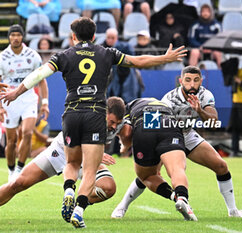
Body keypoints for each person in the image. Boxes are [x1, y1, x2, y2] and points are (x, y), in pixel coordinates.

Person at [0, 17, 187, 229]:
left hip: (72, 115)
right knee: (88, 172)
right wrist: (165, 58)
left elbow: (40, 73)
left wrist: (16, 92)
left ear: (73, 36)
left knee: (19, 184)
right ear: (94, 35)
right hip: (95, 116)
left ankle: (70, 189)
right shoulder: (107, 53)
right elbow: (137, 61)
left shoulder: (64, 55)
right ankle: (78, 208)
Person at [111, 66, 242, 219]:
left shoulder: (205, 95)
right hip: (168, 136)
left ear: (201, 81)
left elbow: (213, 122)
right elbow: (156, 126)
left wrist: (200, 111)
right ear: (181, 81)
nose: (192, 84)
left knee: (221, 166)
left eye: (196, 80)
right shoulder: (169, 99)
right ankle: (122, 207)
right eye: (188, 80)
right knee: (150, 173)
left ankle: (233, 211)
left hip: (188, 135)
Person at [111, 97, 198, 221]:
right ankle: (182, 197)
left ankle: (173, 196)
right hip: (169, 124)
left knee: (146, 176)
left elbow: (126, 133)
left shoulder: (126, 110)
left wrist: (124, 146)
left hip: (145, 126)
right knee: (176, 169)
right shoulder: (161, 104)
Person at [0, 24, 49, 182]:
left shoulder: (32, 55)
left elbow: (41, 80)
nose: (15, 38)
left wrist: (45, 103)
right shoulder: (3, 57)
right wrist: (0, 107)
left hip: (28, 98)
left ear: (22, 37)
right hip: (9, 100)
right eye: (12, 35)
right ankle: (11, 170)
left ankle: (20, 168)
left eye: (18, 35)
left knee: (27, 132)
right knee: (11, 140)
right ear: (9, 38)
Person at [188, 4, 222, 68]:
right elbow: (191, 39)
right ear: (200, 13)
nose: (205, 13)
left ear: (210, 13)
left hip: (213, 49)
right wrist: (201, 46)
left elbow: (220, 38)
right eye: (203, 11)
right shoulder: (195, 25)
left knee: (218, 53)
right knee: (194, 52)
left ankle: (221, 74)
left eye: (207, 11)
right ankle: (191, 73)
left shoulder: (217, 25)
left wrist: (211, 47)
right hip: (199, 48)